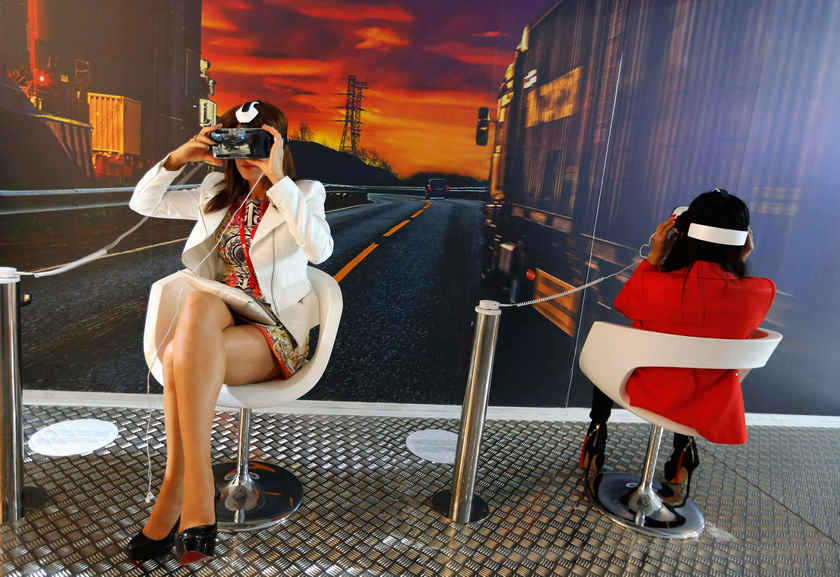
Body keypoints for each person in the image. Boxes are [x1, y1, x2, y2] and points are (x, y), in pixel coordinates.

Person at [125, 100, 333, 566]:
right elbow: (143, 203)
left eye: (257, 140)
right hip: (216, 323)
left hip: (271, 333)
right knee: (198, 301)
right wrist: (179, 158)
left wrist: (276, 178)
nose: (245, 151)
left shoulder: (303, 191)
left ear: (279, 143)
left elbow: (319, 250)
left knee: (183, 349)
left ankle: (178, 491)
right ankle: (194, 491)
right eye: (233, 140)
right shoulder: (215, 188)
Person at [579, 188, 775, 507]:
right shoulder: (759, 292)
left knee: (608, 347)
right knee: (700, 362)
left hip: (646, 391)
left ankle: (598, 431)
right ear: (745, 242)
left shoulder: (656, 284)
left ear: (679, 235)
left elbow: (624, 304)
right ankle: (681, 453)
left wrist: (655, 256)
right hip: (707, 402)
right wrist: (737, 261)